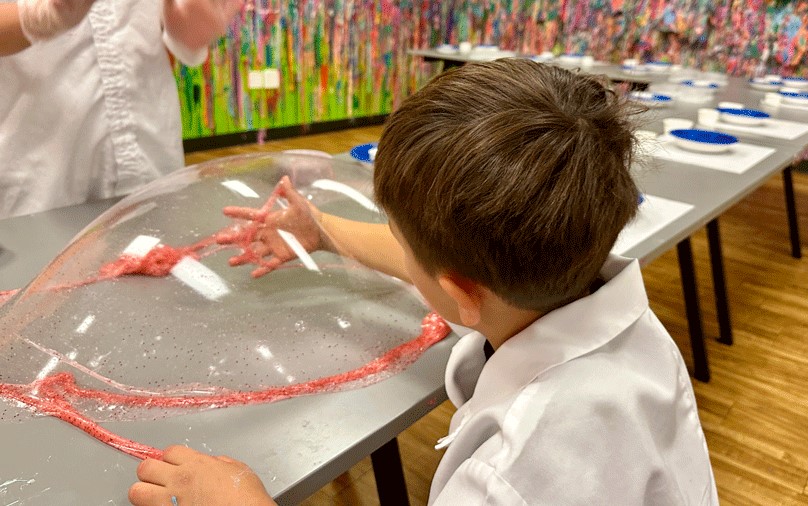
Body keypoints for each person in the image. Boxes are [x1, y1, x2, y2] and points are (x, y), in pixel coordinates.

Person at [128, 58, 718, 505]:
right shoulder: (615, 316)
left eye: (402, 243)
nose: (396, 249)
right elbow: (449, 264)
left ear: (461, 292)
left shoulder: (508, 478)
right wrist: (322, 228)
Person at [0, 0, 243, 219]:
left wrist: (191, 20)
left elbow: (172, 25)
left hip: (151, 149)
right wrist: (37, 17)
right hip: (40, 177)